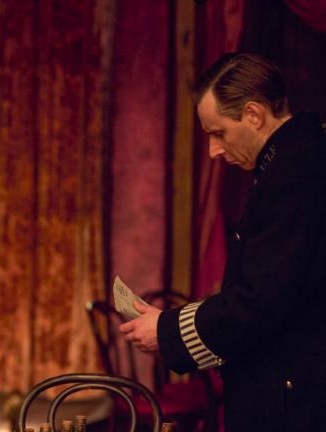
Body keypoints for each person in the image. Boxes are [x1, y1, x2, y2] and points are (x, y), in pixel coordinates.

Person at [119, 52, 326, 431]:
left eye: (219, 133)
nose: (214, 150)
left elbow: (262, 300)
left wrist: (167, 330)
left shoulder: (296, 172)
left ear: (253, 114)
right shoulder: (294, 161)